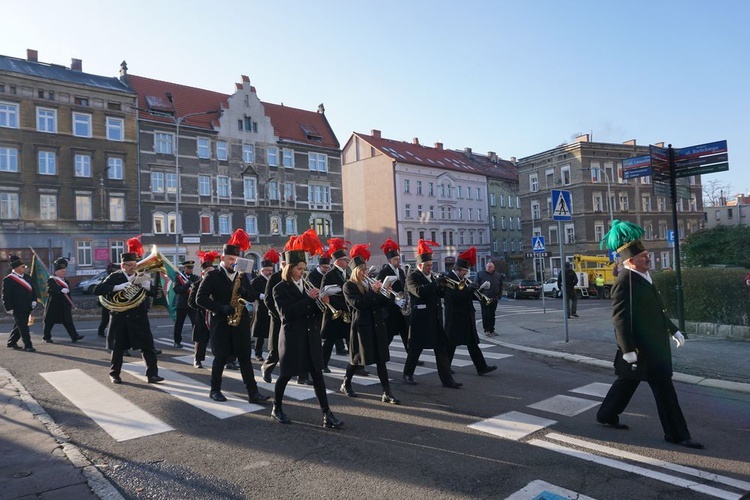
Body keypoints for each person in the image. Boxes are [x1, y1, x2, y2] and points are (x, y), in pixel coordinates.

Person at [596, 220, 703, 449]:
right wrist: (627, 350)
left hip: (653, 346)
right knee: (664, 389)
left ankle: (606, 414)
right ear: (631, 261)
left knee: (627, 382)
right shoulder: (625, 281)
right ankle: (676, 434)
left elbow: (656, 310)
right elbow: (620, 318)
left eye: (647, 254)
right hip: (642, 349)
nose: (648, 258)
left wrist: (673, 330)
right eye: (643, 256)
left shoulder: (643, 277)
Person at [271, 230, 344, 429]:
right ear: (290, 269)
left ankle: (327, 414)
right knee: (286, 375)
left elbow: (313, 311)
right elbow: (287, 313)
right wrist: (308, 299)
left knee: (318, 376)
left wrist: (322, 302)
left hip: (310, 337)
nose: (303, 272)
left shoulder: (307, 284)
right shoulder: (279, 288)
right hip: (292, 338)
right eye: (299, 269)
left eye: (304, 268)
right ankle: (277, 408)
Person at [196, 229, 270, 404]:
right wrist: (221, 308)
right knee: (220, 358)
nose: (233, 263)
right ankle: (215, 390)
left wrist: (245, 291)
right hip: (221, 322)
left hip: (240, 322)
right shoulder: (212, 276)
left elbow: (252, 295)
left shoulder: (242, 275)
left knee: (245, 357)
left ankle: (253, 392)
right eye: (230, 259)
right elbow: (200, 299)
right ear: (222, 259)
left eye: (236, 260)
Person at [95, 237, 163, 384]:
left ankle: (152, 374)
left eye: (134, 264)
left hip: (139, 317)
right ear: (123, 265)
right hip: (120, 317)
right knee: (118, 348)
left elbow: (155, 294)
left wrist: (148, 287)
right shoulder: (115, 276)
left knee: (148, 347)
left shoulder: (141, 276)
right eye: (130, 265)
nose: (133, 267)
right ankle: (114, 374)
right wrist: (116, 287)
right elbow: (97, 289)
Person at [340, 244, 400, 404]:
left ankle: (387, 392)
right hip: (362, 327)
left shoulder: (369, 284)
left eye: (365, 270)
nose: (365, 273)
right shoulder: (348, 286)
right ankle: (346, 382)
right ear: (354, 271)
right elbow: (359, 304)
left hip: (377, 325)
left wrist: (386, 292)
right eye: (361, 270)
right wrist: (374, 292)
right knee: (357, 359)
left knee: (381, 360)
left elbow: (382, 304)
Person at [402, 240, 462, 389]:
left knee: (441, 350)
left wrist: (442, 286)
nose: (431, 268)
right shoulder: (412, 277)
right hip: (420, 319)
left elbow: (439, 294)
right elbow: (419, 292)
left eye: (431, 265)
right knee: (416, 348)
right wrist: (435, 284)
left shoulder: (432, 277)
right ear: (420, 265)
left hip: (434, 318)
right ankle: (407, 374)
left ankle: (447, 380)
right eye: (428, 266)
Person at [444, 248, 497, 376]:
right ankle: (445, 367)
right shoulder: (449, 278)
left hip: (466, 314)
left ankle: (481, 367)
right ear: (458, 269)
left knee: (472, 342)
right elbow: (454, 297)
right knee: (451, 343)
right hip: (455, 316)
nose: (466, 274)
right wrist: (469, 290)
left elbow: (469, 296)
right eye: (464, 271)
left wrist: (480, 289)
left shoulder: (463, 280)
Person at [320, 238, 353, 372]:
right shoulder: (329, 275)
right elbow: (325, 294)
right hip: (335, 313)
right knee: (330, 341)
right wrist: (343, 305)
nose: (347, 261)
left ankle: (357, 365)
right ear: (338, 261)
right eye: (345, 260)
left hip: (346, 312)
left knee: (351, 340)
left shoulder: (348, 273)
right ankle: (323, 363)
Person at [376, 238, 410, 349]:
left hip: (401, 306)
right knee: (388, 335)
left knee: (406, 333)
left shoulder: (400, 271)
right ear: (390, 261)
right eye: (395, 259)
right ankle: (381, 354)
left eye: (398, 259)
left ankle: (411, 355)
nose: (398, 261)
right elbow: (381, 289)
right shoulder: (384, 272)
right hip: (390, 309)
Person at [42, 257, 84, 344]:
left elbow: (68, 294)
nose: (64, 273)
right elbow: (51, 288)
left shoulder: (66, 281)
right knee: (49, 322)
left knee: (68, 321)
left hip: (64, 304)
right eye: (62, 271)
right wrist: (60, 289)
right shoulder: (51, 280)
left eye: (65, 271)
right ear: (57, 272)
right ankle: (46, 337)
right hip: (54, 304)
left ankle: (74, 336)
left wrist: (70, 303)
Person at [188, 251, 219, 368]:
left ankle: (227, 360)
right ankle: (198, 359)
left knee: (220, 339)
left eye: (212, 272)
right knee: (201, 339)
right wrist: (205, 306)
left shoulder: (219, 283)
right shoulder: (197, 284)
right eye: (207, 272)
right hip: (203, 315)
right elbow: (191, 302)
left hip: (216, 314)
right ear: (203, 273)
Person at [3, 255, 38, 352]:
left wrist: (34, 300)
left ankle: (11, 342)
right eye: (23, 267)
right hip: (17, 307)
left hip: (28, 306)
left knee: (20, 325)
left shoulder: (27, 277)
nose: (24, 268)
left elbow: (33, 290)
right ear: (16, 268)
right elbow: (6, 295)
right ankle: (28, 345)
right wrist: (8, 307)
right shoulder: (9, 279)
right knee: (23, 326)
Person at [250, 249, 279, 361]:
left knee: (273, 332)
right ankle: (258, 353)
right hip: (261, 309)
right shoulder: (256, 281)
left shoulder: (274, 280)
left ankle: (274, 352)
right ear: (262, 270)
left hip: (273, 308)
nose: (269, 272)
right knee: (260, 334)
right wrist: (260, 295)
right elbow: (251, 293)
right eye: (267, 270)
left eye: (271, 270)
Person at [260, 255, 285, 383]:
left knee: (297, 347)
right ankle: (267, 368)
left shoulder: (298, 276)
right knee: (276, 348)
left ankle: (302, 375)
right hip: (278, 317)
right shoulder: (275, 277)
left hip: (293, 317)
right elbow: (268, 299)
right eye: (284, 263)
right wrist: (279, 314)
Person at [172, 260, 200, 348]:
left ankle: (197, 340)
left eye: (191, 268)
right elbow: (176, 290)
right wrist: (187, 284)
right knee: (179, 324)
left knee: (195, 323)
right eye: (188, 268)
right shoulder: (178, 278)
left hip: (192, 304)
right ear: (184, 268)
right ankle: (177, 341)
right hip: (182, 304)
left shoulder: (195, 277)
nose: (190, 269)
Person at [476, 261, 503, 337]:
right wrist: (482, 287)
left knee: (492, 314)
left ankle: (492, 329)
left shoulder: (497, 275)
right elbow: (476, 285)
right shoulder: (480, 274)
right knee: (485, 314)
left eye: (490, 267)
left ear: (493, 268)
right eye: (487, 267)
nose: (489, 268)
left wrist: (499, 296)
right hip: (484, 298)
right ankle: (487, 330)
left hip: (494, 298)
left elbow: (500, 286)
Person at [97, 262, 119, 339]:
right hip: (107, 301)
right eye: (114, 269)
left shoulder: (111, 277)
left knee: (107, 319)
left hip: (111, 301)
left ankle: (102, 332)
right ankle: (101, 331)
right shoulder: (107, 278)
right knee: (106, 319)